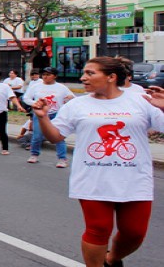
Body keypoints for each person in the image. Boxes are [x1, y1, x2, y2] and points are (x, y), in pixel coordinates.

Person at [31, 57, 164, 267]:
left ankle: (111, 258)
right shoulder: (77, 105)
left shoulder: (140, 100)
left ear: (111, 77)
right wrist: (42, 117)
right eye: (84, 73)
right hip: (93, 179)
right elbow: (56, 136)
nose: (83, 77)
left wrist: (163, 107)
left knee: (134, 233)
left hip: (135, 179)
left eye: (90, 73)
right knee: (98, 229)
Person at [22, 66, 74, 167]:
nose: (45, 77)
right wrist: (35, 103)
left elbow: (72, 98)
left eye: (48, 75)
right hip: (40, 114)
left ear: (54, 76)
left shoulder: (61, 87)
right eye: (44, 74)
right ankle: (34, 154)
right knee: (37, 135)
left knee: (59, 137)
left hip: (56, 114)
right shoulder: (36, 86)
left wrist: (69, 98)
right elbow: (26, 98)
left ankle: (62, 158)